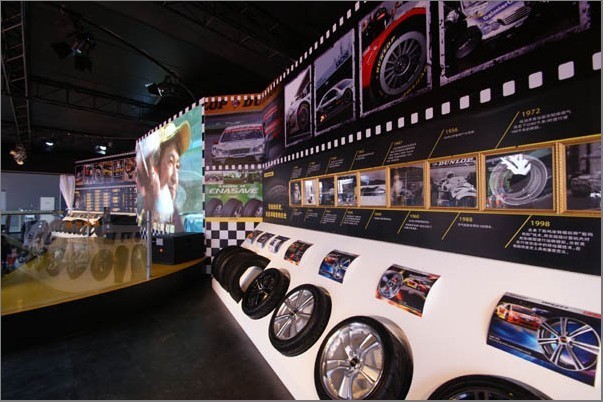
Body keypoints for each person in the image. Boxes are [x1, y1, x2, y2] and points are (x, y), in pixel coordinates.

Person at [136, 120, 190, 233]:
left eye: (177, 166)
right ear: (153, 167)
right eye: (170, 162)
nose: (175, 178)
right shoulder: (141, 211)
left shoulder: (173, 216)